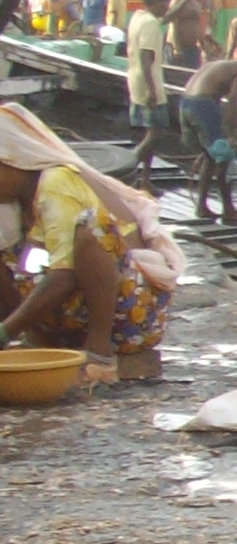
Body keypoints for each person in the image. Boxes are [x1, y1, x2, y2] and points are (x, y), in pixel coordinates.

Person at [0, 101, 181, 382]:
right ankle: (36, 338)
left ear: (13, 161)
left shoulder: (56, 181)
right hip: (68, 318)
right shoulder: (12, 205)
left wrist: (5, 331)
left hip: (130, 316)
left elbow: (64, 275)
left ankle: (99, 349)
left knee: (87, 232)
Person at [178, 46, 237, 224]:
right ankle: (229, 210)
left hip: (185, 103)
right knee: (225, 157)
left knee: (209, 157)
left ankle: (201, 206)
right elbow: (232, 102)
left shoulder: (220, 65)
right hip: (202, 105)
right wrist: (231, 134)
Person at [122, 0, 176, 188]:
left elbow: (167, 18)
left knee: (150, 133)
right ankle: (128, 168)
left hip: (135, 80)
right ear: (156, 3)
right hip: (148, 83)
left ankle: (145, 180)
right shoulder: (151, 24)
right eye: (166, 3)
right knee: (156, 133)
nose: (167, 7)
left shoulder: (138, 18)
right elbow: (146, 57)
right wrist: (152, 90)